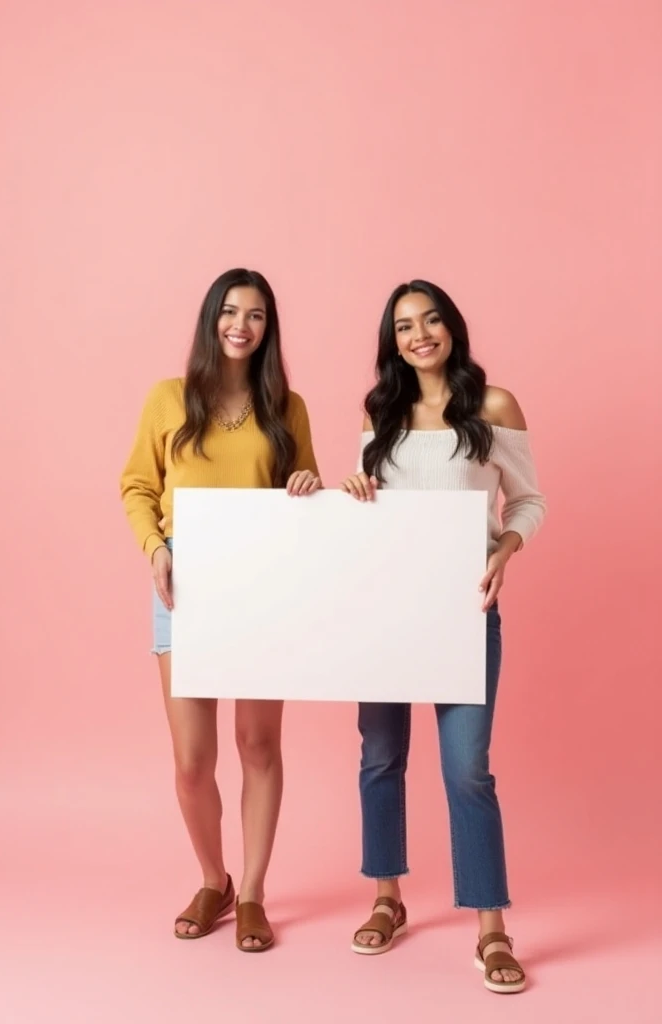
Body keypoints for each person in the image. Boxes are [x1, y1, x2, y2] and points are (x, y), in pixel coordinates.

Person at [340, 280, 546, 994]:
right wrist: (356, 490)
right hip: (386, 612)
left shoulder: (493, 406)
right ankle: (387, 898)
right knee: (380, 757)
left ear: (451, 327)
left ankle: (492, 927)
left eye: (430, 320)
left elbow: (527, 499)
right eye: (403, 326)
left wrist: (504, 551)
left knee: (466, 769)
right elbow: (375, 512)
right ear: (391, 341)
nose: (419, 334)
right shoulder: (381, 409)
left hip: (463, 609)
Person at [120, 268, 320, 952]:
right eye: (230, 312)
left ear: (269, 328)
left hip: (263, 581)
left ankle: (257, 892)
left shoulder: (286, 407)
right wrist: (154, 549)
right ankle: (215, 880)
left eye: (256, 314)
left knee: (259, 745)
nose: (242, 324)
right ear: (211, 320)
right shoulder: (168, 399)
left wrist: (304, 482)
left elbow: (310, 492)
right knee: (190, 760)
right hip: (186, 581)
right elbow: (137, 486)